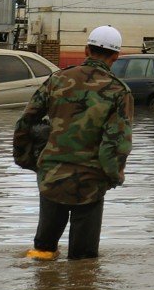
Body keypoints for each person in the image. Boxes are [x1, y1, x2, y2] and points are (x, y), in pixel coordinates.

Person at [14, 25, 135, 261]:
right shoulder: (120, 92)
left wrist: (31, 162)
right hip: (91, 182)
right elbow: (116, 143)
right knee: (84, 262)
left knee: (43, 253)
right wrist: (114, 176)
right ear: (116, 56)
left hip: (52, 177)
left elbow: (25, 123)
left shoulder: (57, 79)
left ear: (86, 49)